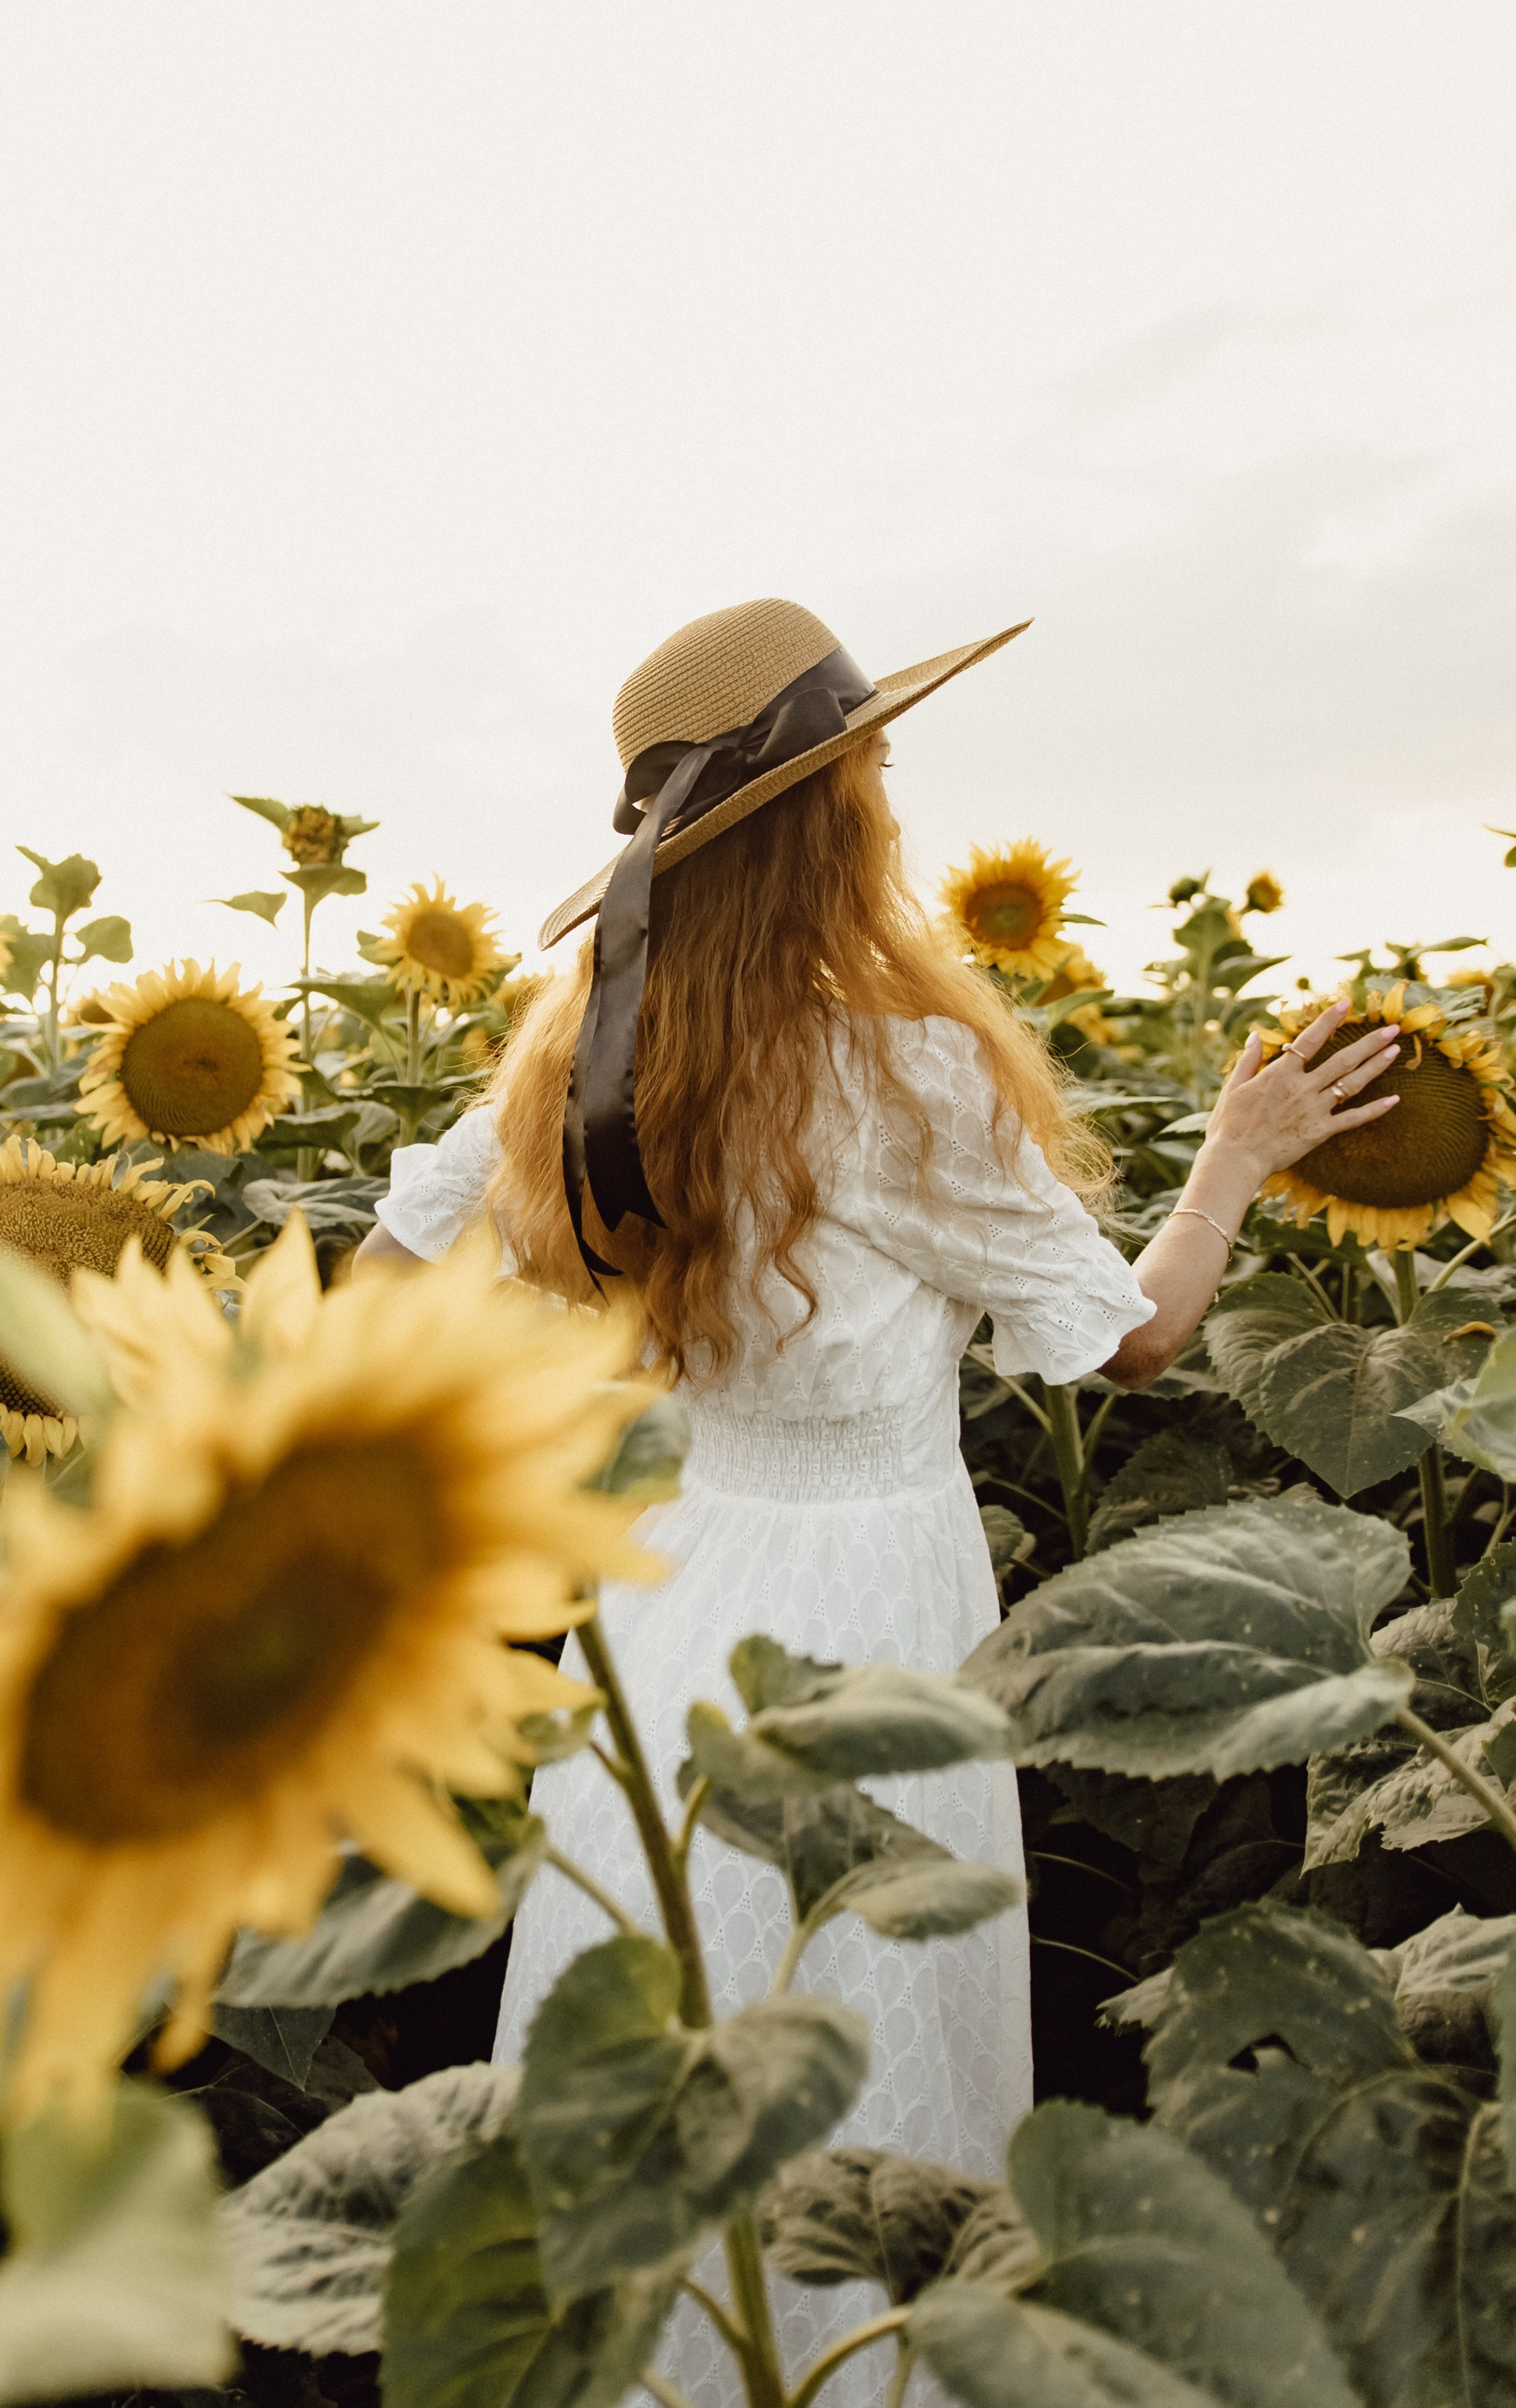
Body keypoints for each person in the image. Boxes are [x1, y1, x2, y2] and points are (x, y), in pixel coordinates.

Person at [356, 597, 1402, 2406]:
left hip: (662, 1605)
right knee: (871, 2072)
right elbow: (1136, 1343)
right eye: (871, 768)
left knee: (663, 2036)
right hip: (874, 1636)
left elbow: (371, 1307)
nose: (891, 798)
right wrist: (1234, 1153)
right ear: (826, 817)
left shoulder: (569, 1052)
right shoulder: (898, 1073)